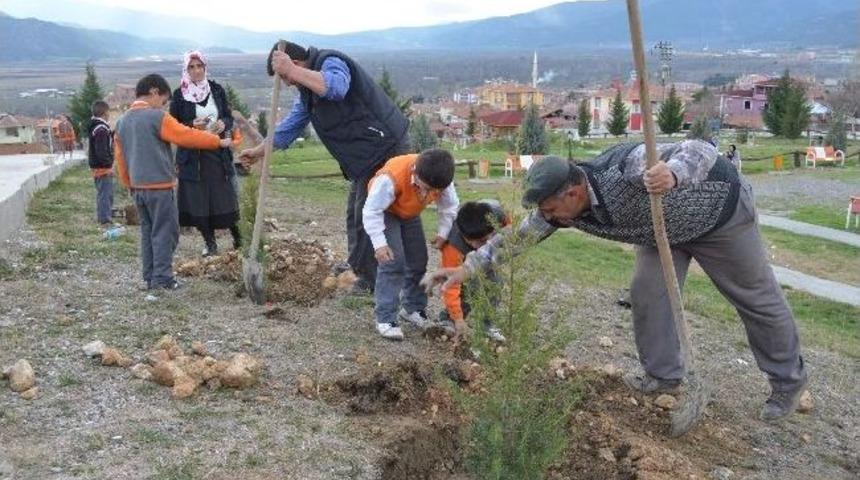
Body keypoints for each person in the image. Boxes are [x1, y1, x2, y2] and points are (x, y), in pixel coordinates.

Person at [423, 140, 808, 422]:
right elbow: (517, 238)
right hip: (659, 231)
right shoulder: (560, 210)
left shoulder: (628, 166)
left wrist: (672, 173)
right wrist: (465, 268)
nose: (547, 216)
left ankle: (787, 381)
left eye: (551, 207)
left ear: (572, 192)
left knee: (755, 298)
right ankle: (663, 377)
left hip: (717, 216)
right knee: (647, 293)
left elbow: (702, 149)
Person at [239, 40, 410, 294]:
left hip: (384, 148)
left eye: (285, 76)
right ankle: (358, 266)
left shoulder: (331, 62)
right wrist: (259, 150)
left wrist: (292, 71)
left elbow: (336, 88)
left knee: (368, 214)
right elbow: (289, 127)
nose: (287, 83)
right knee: (355, 213)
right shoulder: (307, 92)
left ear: (295, 63)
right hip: (365, 156)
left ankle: (370, 281)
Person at [114, 74, 232, 290]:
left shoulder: (122, 121)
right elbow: (185, 136)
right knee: (165, 233)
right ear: (153, 92)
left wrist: (128, 183)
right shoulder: (156, 117)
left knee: (148, 233)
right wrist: (216, 141)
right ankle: (163, 279)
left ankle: (150, 276)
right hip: (159, 187)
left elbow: (120, 159)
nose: (164, 105)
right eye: (163, 100)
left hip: (138, 188)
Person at [363, 149, 458, 340]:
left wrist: (442, 233)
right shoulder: (390, 178)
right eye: (424, 187)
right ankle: (386, 318)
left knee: (418, 261)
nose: (426, 194)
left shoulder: (442, 179)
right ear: (415, 172)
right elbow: (372, 211)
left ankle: (413, 308)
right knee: (393, 261)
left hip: (409, 213)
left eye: (432, 191)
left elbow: (449, 207)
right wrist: (380, 244)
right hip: (386, 212)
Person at [170, 50, 242, 256]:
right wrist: (192, 125)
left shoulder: (217, 90)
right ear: (186, 70)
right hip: (193, 157)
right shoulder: (179, 95)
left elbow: (229, 117)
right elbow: (172, 125)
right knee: (199, 200)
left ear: (205, 67)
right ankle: (210, 242)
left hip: (217, 152)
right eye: (191, 67)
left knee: (225, 196)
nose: (196, 70)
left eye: (199, 66)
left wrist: (223, 123)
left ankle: (238, 237)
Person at [438, 200, 509, 343]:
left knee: (495, 282)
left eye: (483, 240)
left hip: (491, 253)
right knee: (467, 285)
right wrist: (458, 318)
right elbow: (451, 285)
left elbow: (513, 230)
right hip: (463, 263)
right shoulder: (453, 247)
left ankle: (486, 325)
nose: (478, 246)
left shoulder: (499, 216)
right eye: (472, 242)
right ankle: (450, 318)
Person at [87, 100, 114, 226]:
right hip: (102, 167)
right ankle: (105, 220)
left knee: (102, 193)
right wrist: (109, 164)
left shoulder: (96, 127)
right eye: (109, 111)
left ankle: (102, 217)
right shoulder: (101, 129)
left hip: (97, 166)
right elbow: (101, 150)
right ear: (105, 112)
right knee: (105, 194)